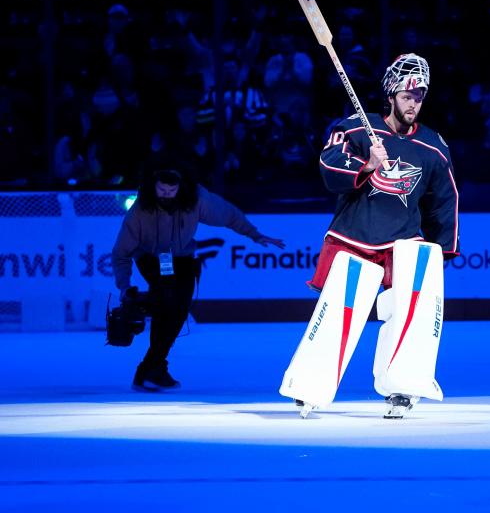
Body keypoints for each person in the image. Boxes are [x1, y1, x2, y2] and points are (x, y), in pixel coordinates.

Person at [306, 52, 460, 416]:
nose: (414, 103)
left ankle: (404, 386)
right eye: (408, 96)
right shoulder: (357, 129)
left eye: (420, 96)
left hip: (402, 243)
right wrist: (368, 164)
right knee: (338, 313)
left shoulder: (434, 147)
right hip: (354, 236)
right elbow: (328, 166)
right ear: (391, 94)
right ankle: (309, 384)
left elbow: (444, 200)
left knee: (412, 312)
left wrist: (441, 250)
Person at [111, 159, 285, 392]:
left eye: (171, 190)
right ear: (153, 186)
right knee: (168, 301)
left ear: (180, 187)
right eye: (162, 190)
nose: (166, 195)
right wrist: (124, 285)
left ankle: (154, 366)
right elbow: (121, 253)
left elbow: (229, 215)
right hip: (151, 257)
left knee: (178, 309)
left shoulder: (196, 199)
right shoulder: (139, 211)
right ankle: (151, 366)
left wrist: (255, 235)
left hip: (181, 256)